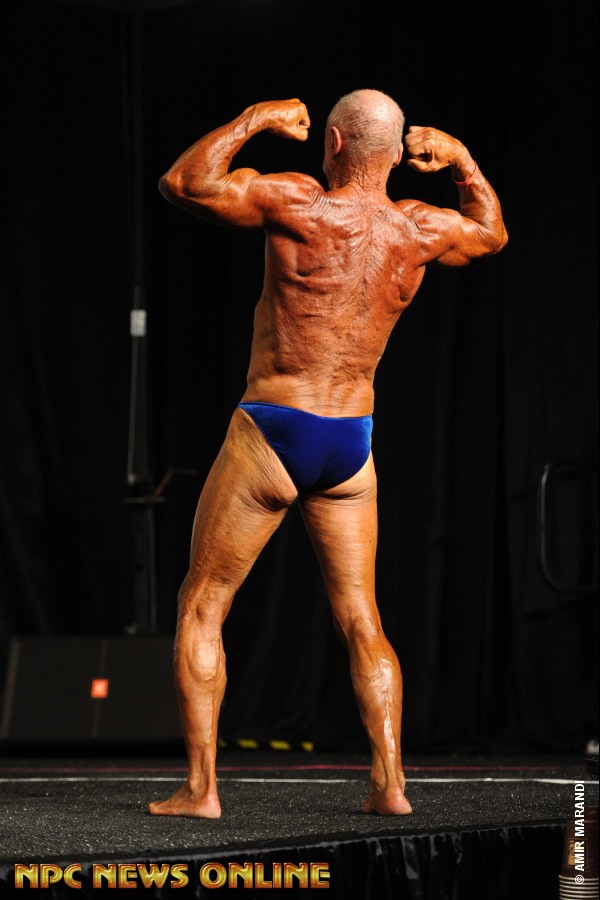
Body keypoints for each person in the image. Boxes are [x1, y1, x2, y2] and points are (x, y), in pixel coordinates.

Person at [148, 90, 508, 819]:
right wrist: (463, 162)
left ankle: (202, 790)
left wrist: (256, 118)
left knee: (203, 603)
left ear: (335, 143)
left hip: (274, 426)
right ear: (396, 152)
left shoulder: (301, 203)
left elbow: (184, 183)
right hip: (350, 442)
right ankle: (390, 785)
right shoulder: (419, 228)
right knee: (361, 618)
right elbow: (491, 235)